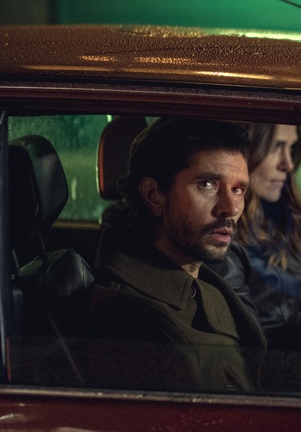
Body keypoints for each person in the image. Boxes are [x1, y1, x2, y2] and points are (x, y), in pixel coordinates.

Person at [89, 117, 266, 392]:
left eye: (238, 189)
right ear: (154, 195)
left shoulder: (204, 287)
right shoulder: (131, 319)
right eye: (207, 184)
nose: (230, 208)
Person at [210, 123, 301, 347]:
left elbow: (291, 321)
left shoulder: (277, 219)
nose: (288, 164)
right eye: (275, 147)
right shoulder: (223, 237)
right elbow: (252, 341)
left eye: (291, 148)